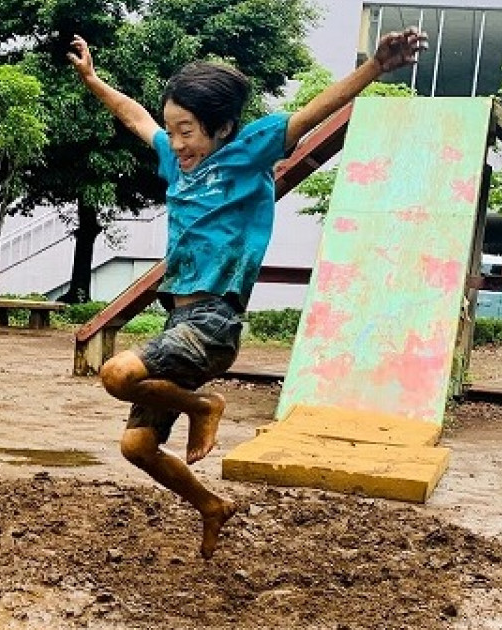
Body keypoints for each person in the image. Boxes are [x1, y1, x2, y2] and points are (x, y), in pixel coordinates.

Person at [68, 28, 427, 558]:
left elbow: (310, 115)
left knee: (117, 374)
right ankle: (212, 505)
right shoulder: (176, 160)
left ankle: (203, 406)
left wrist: (374, 67)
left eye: (187, 131)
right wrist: (94, 80)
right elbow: (136, 118)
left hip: (214, 322)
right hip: (178, 322)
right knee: (137, 446)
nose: (178, 142)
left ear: (224, 129)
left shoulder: (247, 155)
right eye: (174, 130)